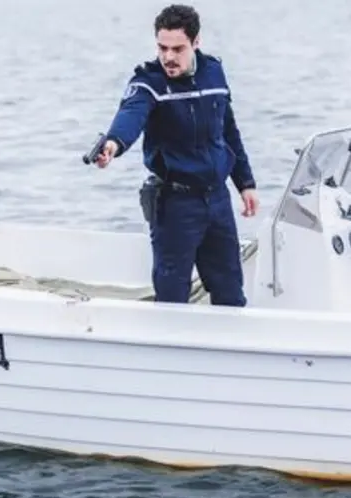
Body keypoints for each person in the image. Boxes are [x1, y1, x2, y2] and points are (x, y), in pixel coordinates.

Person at [93, 4, 259, 307]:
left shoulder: (214, 73)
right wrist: (113, 144)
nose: (168, 57)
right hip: (175, 205)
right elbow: (131, 115)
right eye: (162, 47)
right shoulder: (148, 83)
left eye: (177, 49)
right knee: (172, 297)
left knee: (230, 292)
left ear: (196, 43)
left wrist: (245, 183)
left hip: (217, 199)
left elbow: (229, 131)